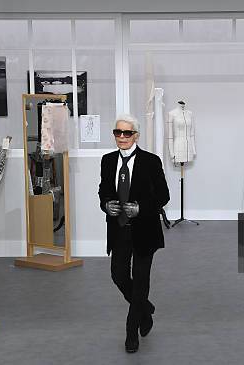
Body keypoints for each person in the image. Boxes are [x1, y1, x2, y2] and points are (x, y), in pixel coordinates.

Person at [98, 114, 170, 353]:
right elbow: (104, 190)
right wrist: (106, 204)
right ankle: (145, 310)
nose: (121, 137)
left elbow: (163, 195)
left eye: (127, 133)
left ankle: (132, 331)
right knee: (118, 274)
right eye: (117, 132)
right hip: (118, 229)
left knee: (140, 281)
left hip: (145, 231)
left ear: (136, 135)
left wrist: (141, 208)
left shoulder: (151, 161)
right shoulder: (107, 161)